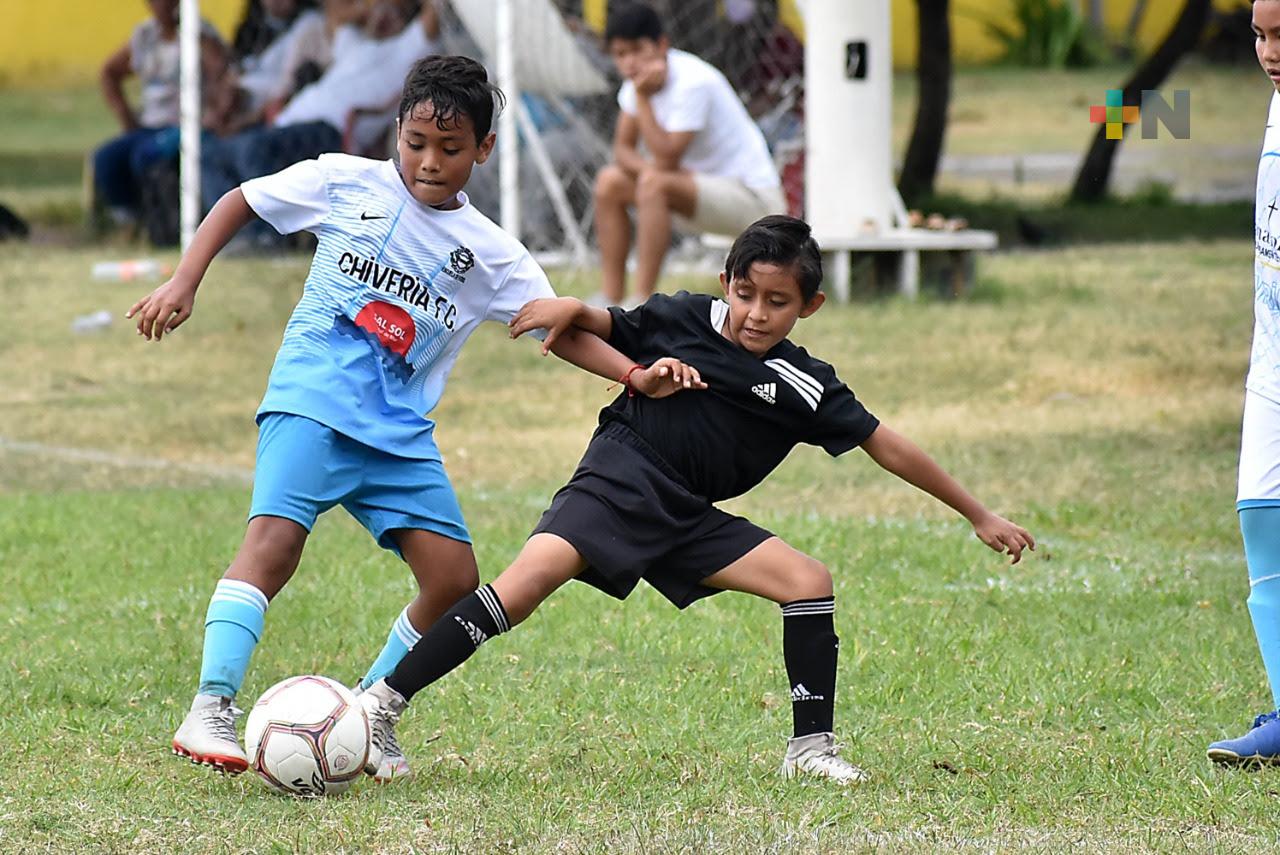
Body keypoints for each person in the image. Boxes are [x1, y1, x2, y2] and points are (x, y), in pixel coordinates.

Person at [128, 54, 686, 782]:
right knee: (273, 546)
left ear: (484, 149)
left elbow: (560, 328)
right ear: (397, 130)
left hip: (397, 435)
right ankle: (210, 705)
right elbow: (242, 199)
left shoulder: (493, 255)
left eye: (450, 149)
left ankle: (370, 712)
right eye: (416, 142)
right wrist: (184, 278)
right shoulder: (344, 180)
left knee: (455, 579)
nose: (428, 162)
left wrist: (633, 373)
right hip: (313, 400)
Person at [356, 215, 1035, 784]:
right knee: (525, 585)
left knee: (807, 580)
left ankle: (809, 748)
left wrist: (978, 512)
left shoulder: (806, 385)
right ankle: (381, 705)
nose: (757, 313)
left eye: (778, 302)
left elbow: (887, 444)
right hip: (620, 476)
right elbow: (610, 323)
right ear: (726, 285)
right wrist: (575, 309)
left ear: (810, 308)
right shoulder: (684, 316)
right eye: (747, 294)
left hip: (686, 512)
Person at [593, 2, 785, 307]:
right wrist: (649, 172)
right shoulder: (636, 86)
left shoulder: (693, 82)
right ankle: (611, 297)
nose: (629, 63)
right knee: (609, 182)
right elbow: (622, 150)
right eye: (620, 54)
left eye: (636, 50)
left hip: (755, 204)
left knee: (654, 183)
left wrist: (642, 100)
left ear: (662, 45)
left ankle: (641, 303)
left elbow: (668, 158)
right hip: (693, 192)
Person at [1207, 0, 1280, 766]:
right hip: (1271, 365)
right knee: (1260, 511)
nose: (1267, 50)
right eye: (1259, 33)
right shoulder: (1275, 105)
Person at [201, 0, 441, 215]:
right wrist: (369, 10)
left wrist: (394, 9)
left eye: (393, 13)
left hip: (330, 129)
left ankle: (264, 237)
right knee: (210, 154)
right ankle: (243, 239)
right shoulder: (356, 45)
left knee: (251, 150)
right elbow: (334, 13)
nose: (384, 16)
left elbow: (433, 15)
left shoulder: (409, 48)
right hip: (286, 122)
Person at [94, 0, 228, 226]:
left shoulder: (201, 35)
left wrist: (214, 114)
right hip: (150, 124)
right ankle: (130, 220)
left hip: (184, 124)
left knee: (145, 155)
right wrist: (125, 115)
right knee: (106, 158)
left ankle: (163, 222)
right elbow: (109, 72)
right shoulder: (145, 35)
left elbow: (222, 73)